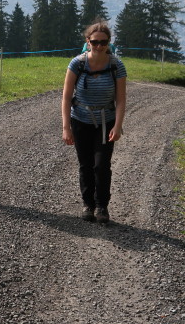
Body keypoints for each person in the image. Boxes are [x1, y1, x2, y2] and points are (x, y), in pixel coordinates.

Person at [61, 21, 127, 223]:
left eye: (103, 42)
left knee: (102, 165)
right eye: (95, 42)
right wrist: (66, 128)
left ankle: (102, 207)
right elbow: (65, 97)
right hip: (80, 121)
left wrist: (118, 126)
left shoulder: (116, 65)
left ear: (109, 43)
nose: (99, 46)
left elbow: (121, 99)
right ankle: (88, 204)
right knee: (86, 164)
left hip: (106, 122)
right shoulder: (77, 64)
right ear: (87, 41)